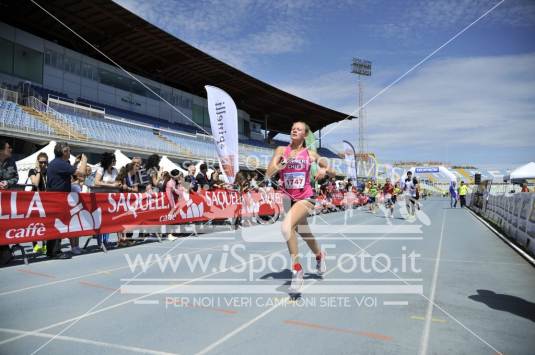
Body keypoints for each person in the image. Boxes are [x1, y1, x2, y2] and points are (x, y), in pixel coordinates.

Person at [267, 121, 335, 292]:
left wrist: (324, 171)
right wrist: (281, 164)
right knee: (304, 233)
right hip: (287, 198)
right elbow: (268, 173)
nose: (294, 130)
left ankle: (296, 270)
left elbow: (333, 171)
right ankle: (319, 255)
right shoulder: (281, 151)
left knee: (286, 228)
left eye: (298, 129)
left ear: (305, 135)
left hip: (305, 197)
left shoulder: (310, 153)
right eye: (292, 128)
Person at [46, 142, 87, 259]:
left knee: (56, 225)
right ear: (64, 152)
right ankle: (55, 252)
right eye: (68, 151)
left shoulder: (58, 163)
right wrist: (84, 160)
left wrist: (75, 164)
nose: (70, 153)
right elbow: (81, 174)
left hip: (55, 198)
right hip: (57, 199)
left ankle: (52, 251)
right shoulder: (60, 163)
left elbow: (70, 173)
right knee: (57, 225)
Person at [27, 152, 48, 254]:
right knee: (34, 223)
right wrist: (39, 171)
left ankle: (44, 244)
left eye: (45, 162)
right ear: (37, 162)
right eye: (41, 162)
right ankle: (35, 245)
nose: (43, 164)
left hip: (45, 200)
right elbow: (35, 183)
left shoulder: (48, 172)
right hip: (35, 201)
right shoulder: (32, 171)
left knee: (45, 223)